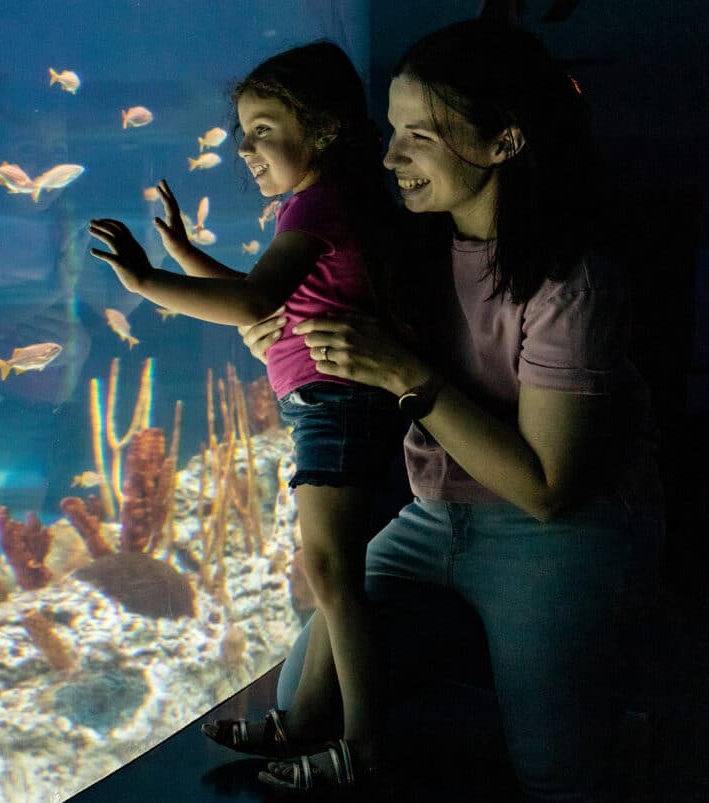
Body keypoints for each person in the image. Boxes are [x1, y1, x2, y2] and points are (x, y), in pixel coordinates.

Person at [239, 19, 664, 801]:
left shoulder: (573, 283)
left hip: (555, 529)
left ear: (504, 141)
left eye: (419, 137)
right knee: (306, 694)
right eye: (392, 131)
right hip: (435, 513)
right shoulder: (412, 242)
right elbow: (329, 325)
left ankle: (614, 727)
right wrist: (281, 332)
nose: (391, 154)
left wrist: (405, 370)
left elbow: (547, 487)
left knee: (559, 779)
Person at [87, 41, 403, 789]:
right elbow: (267, 290)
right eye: (240, 133)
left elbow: (258, 302)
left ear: (323, 127)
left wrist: (145, 279)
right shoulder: (319, 204)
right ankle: (308, 723)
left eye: (263, 128)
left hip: (338, 405)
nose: (244, 148)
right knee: (332, 573)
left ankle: (365, 746)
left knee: (331, 571)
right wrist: (186, 254)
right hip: (330, 406)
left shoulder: (320, 201)